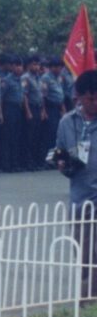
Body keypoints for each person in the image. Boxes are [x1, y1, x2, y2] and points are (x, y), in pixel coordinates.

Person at [54, 68, 97, 299]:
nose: (95, 102)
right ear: (78, 97)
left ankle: (88, 303)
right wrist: (63, 164)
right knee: (84, 257)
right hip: (80, 200)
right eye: (90, 98)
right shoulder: (66, 123)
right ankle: (87, 296)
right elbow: (60, 154)